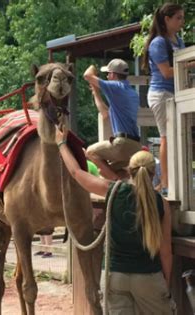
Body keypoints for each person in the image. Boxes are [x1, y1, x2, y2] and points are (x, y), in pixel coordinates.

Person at [55, 126, 174, 314]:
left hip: (115, 277)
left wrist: (61, 143)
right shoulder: (162, 203)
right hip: (149, 277)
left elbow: (77, 173)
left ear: (129, 169)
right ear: (153, 173)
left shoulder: (114, 191)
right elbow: (165, 251)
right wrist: (165, 284)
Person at [142, 2, 186, 196]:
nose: (182, 22)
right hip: (161, 94)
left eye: (182, 18)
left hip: (177, 94)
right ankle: (166, 183)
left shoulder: (179, 40)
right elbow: (167, 72)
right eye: (178, 18)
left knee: (180, 137)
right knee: (167, 137)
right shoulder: (158, 42)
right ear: (166, 19)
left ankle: (177, 180)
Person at [83, 59, 141, 180]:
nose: (107, 77)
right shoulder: (131, 93)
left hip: (122, 143)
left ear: (113, 74)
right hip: (135, 146)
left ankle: (117, 186)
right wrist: (96, 92)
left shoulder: (115, 86)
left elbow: (87, 75)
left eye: (108, 74)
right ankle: (124, 184)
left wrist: (94, 66)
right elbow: (105, 114)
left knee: (90, 152)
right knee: (104, 171)